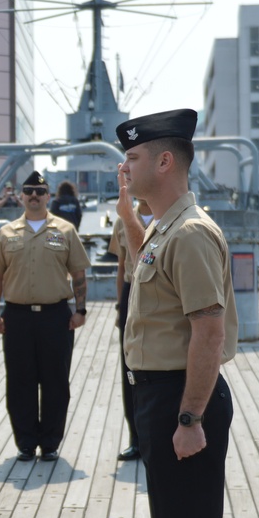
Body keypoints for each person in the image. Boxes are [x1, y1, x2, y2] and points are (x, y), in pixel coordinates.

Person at [115, 108, 238, 518]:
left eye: (133, 156)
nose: (125, 167)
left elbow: (208, 333)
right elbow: (150, 260)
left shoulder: (189, 234)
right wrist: (128, 217)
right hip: (162, 397)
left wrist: (190, 419)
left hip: (181, 399)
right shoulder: (166, 228)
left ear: (165, 161)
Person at [0, 171, 90, 462]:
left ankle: (51, 443)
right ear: (20, 195)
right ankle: (26, 443)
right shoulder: (6, 233)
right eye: (28, 190)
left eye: (39, 191)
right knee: (20, 381)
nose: (33, 195)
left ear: (48, 196)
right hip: (17, 317)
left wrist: (80, 310)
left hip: (55, 316)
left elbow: (79, 273)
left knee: (56, 381)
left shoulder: (66, 231)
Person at [108, 197, 154, 461]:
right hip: (131, 290)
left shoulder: (168, 217)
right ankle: (135, 438)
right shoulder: (123, 220)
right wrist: (119, 307)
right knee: (130, 366)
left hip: (160, 290)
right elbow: (121, 266)